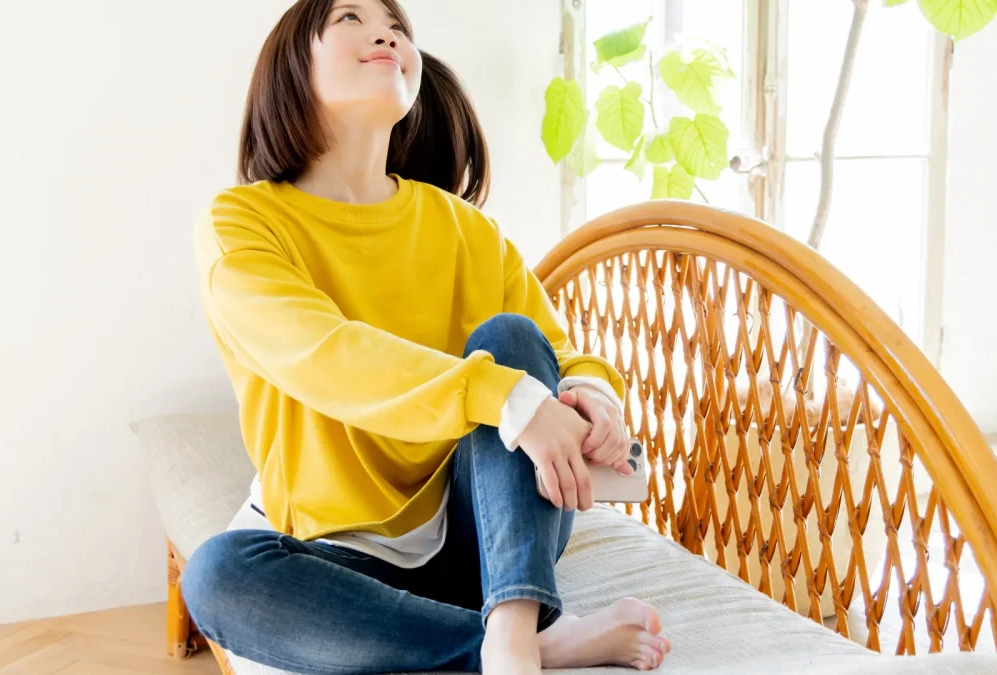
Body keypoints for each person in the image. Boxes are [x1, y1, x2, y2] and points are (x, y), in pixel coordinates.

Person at [179, 1, 672, 674]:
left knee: (511, 336)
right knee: (217, 574)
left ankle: (514, 626)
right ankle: (527, 646)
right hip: (339, 555)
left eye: (398, 27)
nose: (386, 33)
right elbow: (323, 354)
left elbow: (554, 350)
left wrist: (592, 391)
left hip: (489, 539)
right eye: (350, 17)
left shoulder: (464, 228)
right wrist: (506, 398)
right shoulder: (242, 223)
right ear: (289, 64)